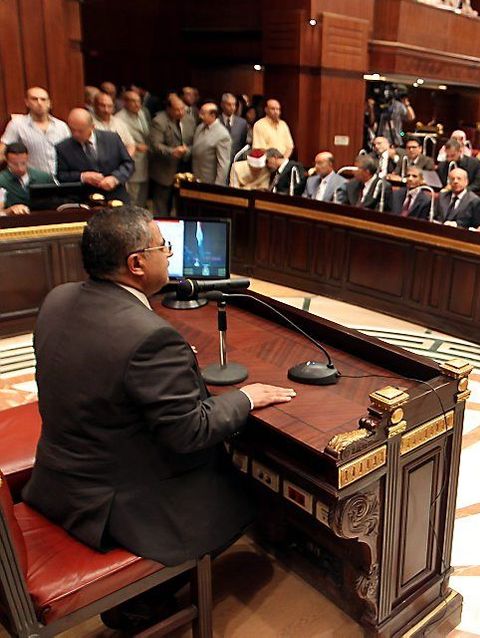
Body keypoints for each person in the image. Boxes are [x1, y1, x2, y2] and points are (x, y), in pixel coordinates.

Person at [23, 206, 295, 629]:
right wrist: (245, 397)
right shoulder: (148, 335)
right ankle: (143, 601)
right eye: (163, 248)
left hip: (56, 482)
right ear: (136, 264)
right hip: (116, 509)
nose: (169, 256)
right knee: (248, 494)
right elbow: (191, 430)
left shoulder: (58, 299)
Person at [55, 108, 134, 203]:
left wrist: (115, 178)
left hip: (115, 197)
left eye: (80, 131)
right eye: (72, 129)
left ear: (92, 127)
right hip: (84, 200)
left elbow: (128, 164)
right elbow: (61, 176)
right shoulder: (63, 148)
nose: (76, 134)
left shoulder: (112, 139)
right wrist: (82, 176)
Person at [0, 86, 71, 174]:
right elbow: (3, 150)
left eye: (43, 99)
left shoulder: (61, 126)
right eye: (34, 99)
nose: (39, 103)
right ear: (27, 102)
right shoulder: (17, 124)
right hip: (34, 180)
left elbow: (71, 153)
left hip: (60, 179)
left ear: (49, 103)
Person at [149, 95, 195, 213]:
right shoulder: (159, 121)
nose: (181, 112)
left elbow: (195, 142)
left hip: (185, 169)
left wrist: (187, 150)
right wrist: (172, 151)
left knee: (183, 206)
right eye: (177, 109)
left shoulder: (190, 119)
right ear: (168, 109)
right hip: (165, 170)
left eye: (182, 109)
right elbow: (155, 145)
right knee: (162, 206)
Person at [115, 90, 151, 204]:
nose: (137, 104)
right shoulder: (119, 119)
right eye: (133, 101)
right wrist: (135, 146)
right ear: (125, 103)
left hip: (146, 159)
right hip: (132, 159)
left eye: (139, 101)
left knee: (143, 194)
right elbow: (118, 143)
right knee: (133, 194)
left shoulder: (143, 113)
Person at [0, 142, 56, 215]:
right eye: (15, 164)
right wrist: (9, 210)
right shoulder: (1, 181)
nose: (20, 168)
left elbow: (57, 203)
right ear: (7, 161)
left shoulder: (44, 178)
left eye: (23, 163)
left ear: (28, 158)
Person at [190, 103, 231, 185]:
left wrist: (217, 187)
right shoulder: (200, 127)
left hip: (209, 181)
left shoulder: (222, 134)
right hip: (195, 177)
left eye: (203, 113)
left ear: (212, 115)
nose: (199, 116)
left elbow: (223, 164)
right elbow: (197, 147)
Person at [93, 92, 136, 156]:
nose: (106, 110)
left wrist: (126, 159)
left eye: (109, 106)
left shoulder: (119, 123)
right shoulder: (88, 123)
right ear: (94, 106)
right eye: (102, 105)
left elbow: (130, 144)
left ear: (113, 107)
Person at [220, 93, 250, 163]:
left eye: (234, 104)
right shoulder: (216, 121)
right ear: (222, 105)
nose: (232, 107)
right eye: (229, 104)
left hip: (235, 161)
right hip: (219, 160)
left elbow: (242, 142)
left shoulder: (242, 123)